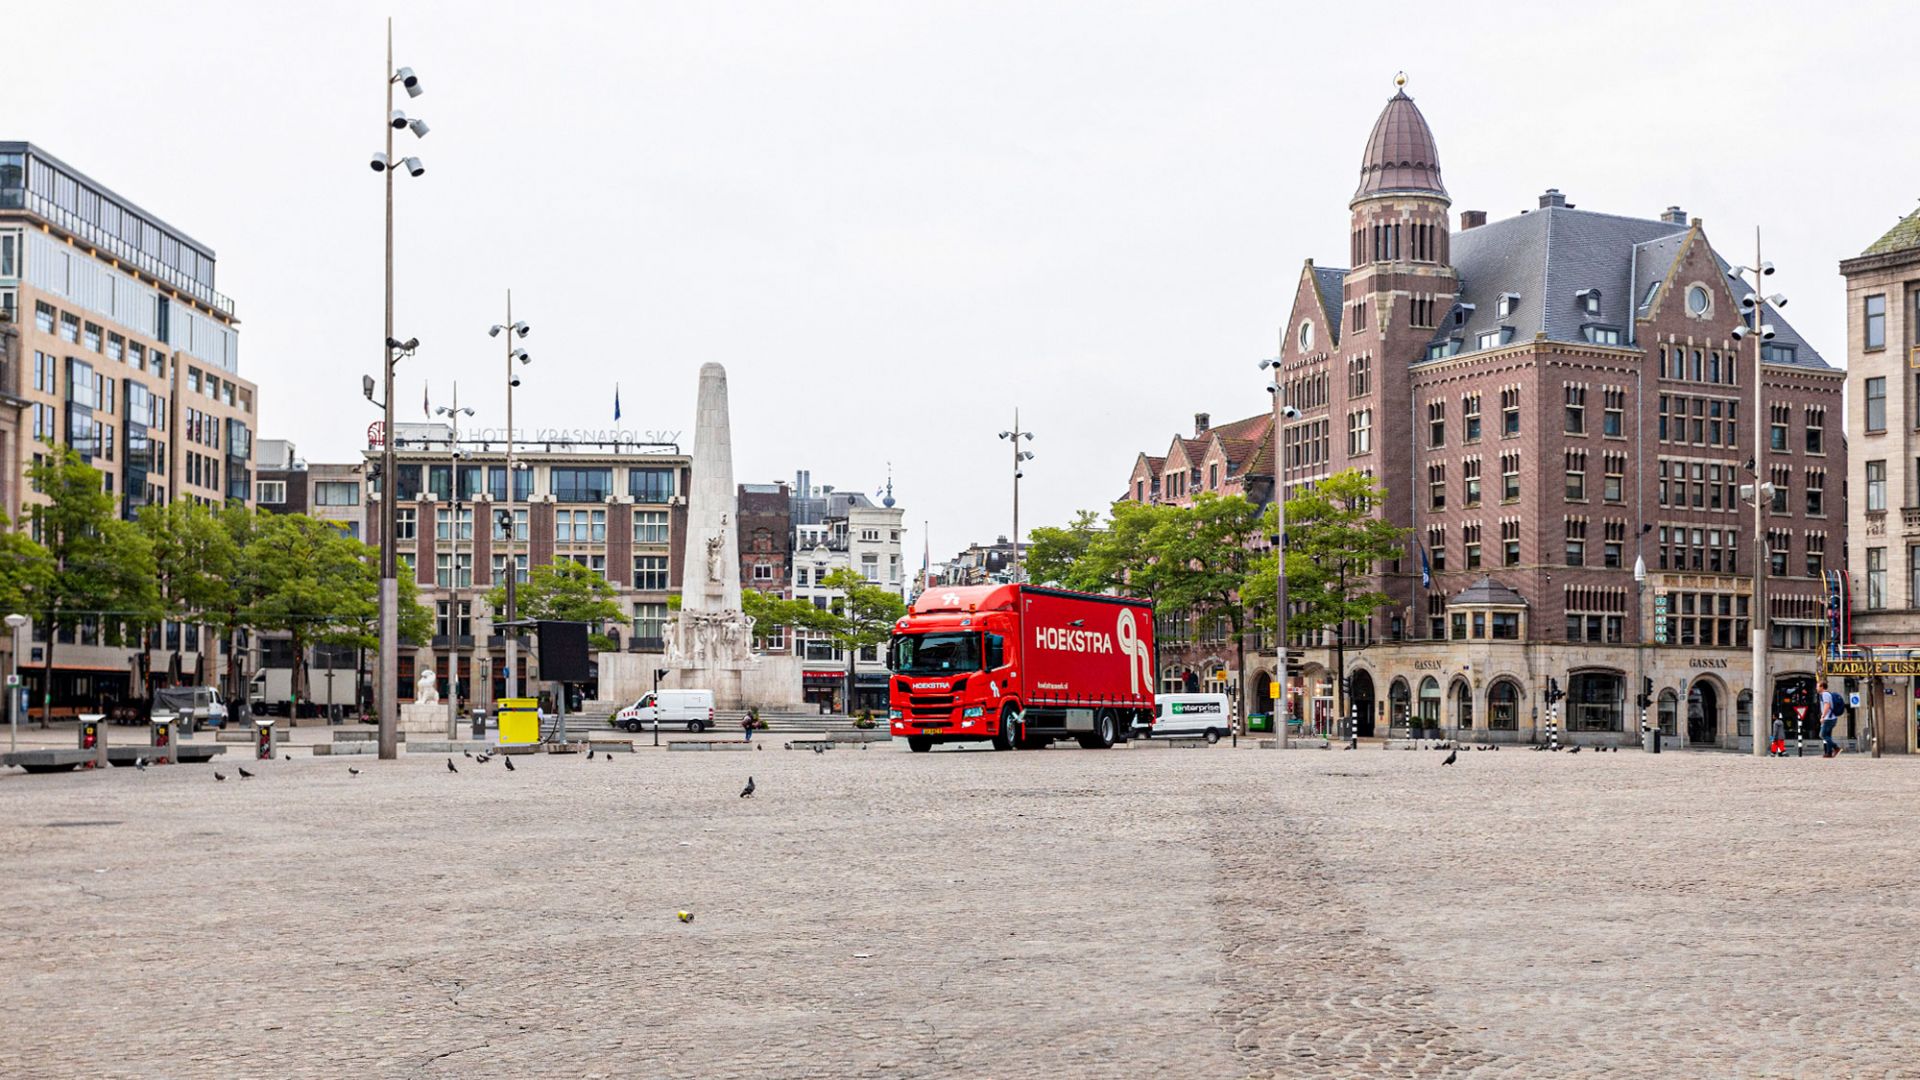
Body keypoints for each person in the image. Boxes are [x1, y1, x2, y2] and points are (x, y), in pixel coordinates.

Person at [1817, 681, 1844, 758]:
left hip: (1828, 718)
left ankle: (1836, 748)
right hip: (1832, 718)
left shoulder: (1825, 694)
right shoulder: (1827, 694)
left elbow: (1827, 705)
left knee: (1822, 735)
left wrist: (1823, 716)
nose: (1816, 688)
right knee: (1828, 735)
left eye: (1817, 686)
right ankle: (1828, 753)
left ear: (1822, 687)